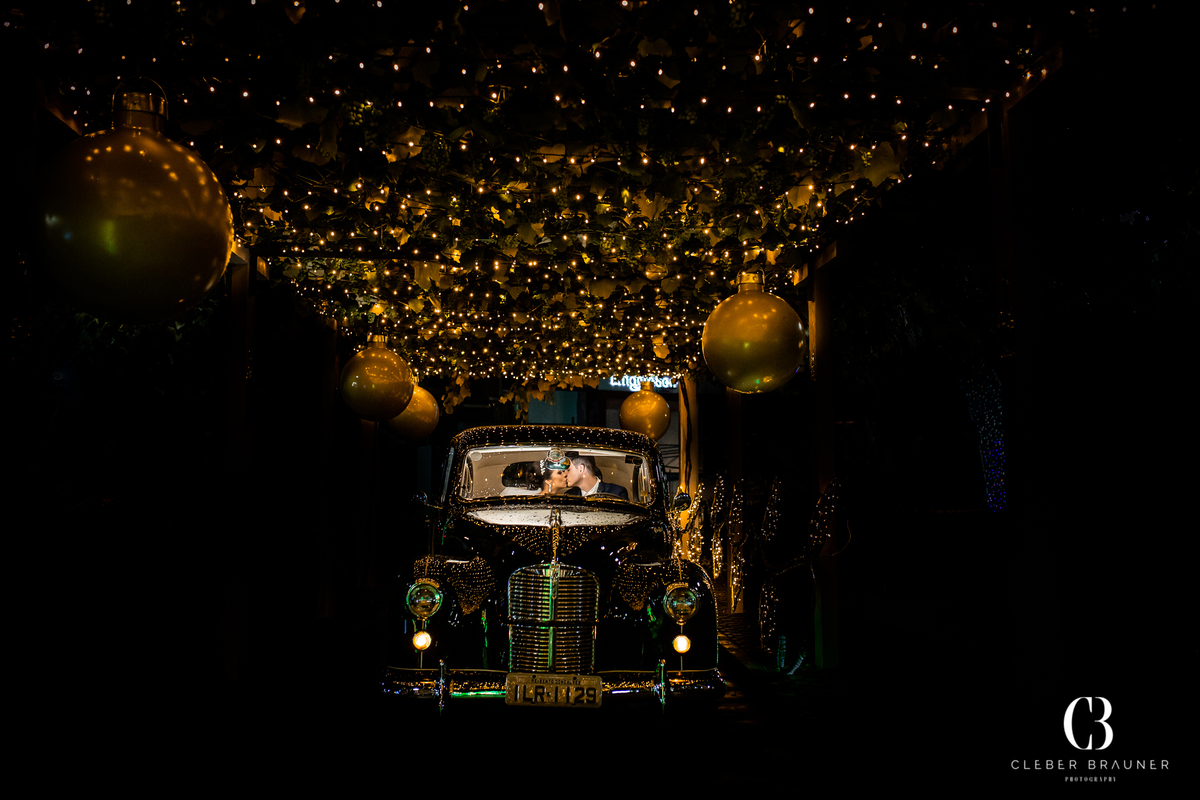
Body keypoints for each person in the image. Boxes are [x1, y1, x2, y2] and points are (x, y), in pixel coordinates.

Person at [563, 453, 629, 500]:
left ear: (581, 469)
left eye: (568, 470)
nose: (565, 474)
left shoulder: (616, 493)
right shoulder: (569, 495)